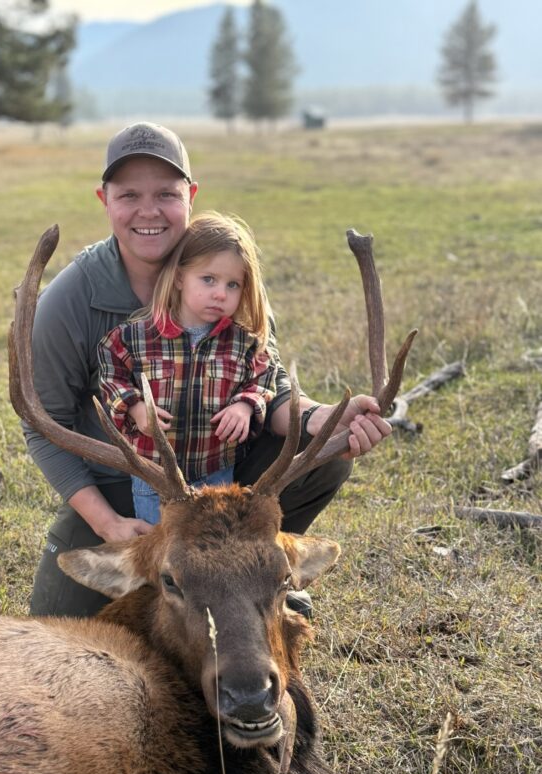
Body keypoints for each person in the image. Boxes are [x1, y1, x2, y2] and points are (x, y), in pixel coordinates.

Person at [24, 122, 392, 620]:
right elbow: (43, 426)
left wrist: (321, 418)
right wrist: (108, 524)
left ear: (190, 197)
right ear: (104, 199)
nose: (149, 211)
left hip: (221, 475)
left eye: (166, 194)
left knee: (323, 454)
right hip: (123, 484)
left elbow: (269, 387)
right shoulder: (69, 300)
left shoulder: (229, 279)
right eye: (129, 195)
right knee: (57, 624)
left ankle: (260, 573)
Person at [98, 211, 278, 525]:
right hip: (154, 475)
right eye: (208, 279)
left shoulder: (243, 344)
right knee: (163, 544)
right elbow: (111, 373)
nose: (220, 293)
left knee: (212, 542)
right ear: (180, 278)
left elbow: (264, 378)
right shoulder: (136, 337)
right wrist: (134, 407)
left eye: (233, 284)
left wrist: (246, 405)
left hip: (216, 472)